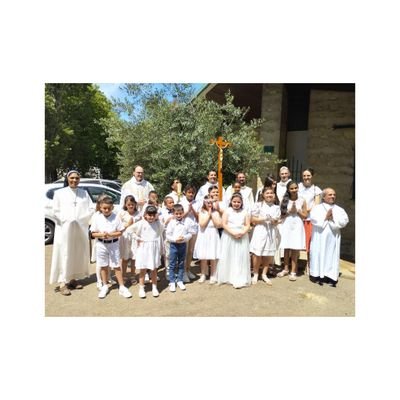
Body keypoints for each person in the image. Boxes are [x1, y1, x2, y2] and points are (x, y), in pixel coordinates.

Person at [49, 170, 94, 296]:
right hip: (65, 230)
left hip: (80, 229)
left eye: (77, 178)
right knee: (65, 253)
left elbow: (91, 208)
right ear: (67, 179)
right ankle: (63, 282)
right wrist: (66, 220)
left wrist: (81, 219)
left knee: (77, 253)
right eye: (72, 178)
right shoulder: (59, 193)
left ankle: (73, 279)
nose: (74, 180)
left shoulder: (84, 193)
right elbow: (55, 211)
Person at [90, 196, 132, 299]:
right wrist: (102, 235)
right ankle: (104, 285)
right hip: (101, 244)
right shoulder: (96, 217)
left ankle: (121, 286)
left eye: (109, 208)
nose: (107, 210)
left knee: (116, 265)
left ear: (112, 207)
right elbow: (93, 233)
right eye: (104, 208)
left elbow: (120, 231)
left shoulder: (116, 217)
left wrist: (112, 235)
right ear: (100, 207)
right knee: (103, 265)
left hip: (113, 244)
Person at [309, 188, 349, 287]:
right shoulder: (317, 208)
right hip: (320, 236)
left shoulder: (339, 209)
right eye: (330, 195)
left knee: (331, 255)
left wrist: (333, 219)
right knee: (319, 253)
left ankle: (331, 276)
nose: (332, 196)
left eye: (334, 195)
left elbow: (344, 221)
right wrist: (325, 217)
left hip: (333, 237)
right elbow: (313, 219)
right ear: (324, 197)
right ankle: (319, 276)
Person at [216, 193, 251, 288]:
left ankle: (240, 277)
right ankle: (228, 276)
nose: (236, 203)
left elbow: (247, 224)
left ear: (242, 202)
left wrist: (242, 233)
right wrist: (233, 233)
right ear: (231, 202)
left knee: (240, 257)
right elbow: (224, 224)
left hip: (241, 236)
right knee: (229, 255)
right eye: (234, 201)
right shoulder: (227, 211)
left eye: (238, 202)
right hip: (229, 235)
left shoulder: (245, 212)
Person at [249, 187, 281, 285]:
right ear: (263, 194)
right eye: (267, 193)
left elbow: (277, 221)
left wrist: (274, 221)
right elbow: (252, 219)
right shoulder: (258, 205)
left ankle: (264, 274)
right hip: (260, 230)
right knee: (257, 254)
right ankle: (255, 273)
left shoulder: (276, 207)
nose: (269, 195)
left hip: (271, 231)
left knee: (267, 254)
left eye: (271, 193)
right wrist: (263, 219)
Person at [277, 181, 307, 281]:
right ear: (288, 190)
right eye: (292, 188)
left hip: (297, 225)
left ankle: (293, 271)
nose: (294, 190)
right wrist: (289, 212)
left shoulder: (302, 200)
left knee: (295, 248)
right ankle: (285, 269)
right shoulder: (284, 200)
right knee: (286, 247)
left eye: (295, 188)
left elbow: (305, 216)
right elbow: (281, 215)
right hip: (287, 224)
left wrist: (298, 211)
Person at [132, 205, 164, 298]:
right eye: (149, 215)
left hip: (153, 249)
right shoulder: (141, 223)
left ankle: (155, 287)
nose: (151, 217)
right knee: (143, 269)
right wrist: (137, 238)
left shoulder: (157, 223)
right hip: (144, 248)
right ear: (145, 215)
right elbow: (130, 230)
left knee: (154, 269)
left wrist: (158, 219)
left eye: (153, 215)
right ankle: (141, 288)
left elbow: (161, 229)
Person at [166, 204, 196, 292]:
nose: (179, 215)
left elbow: (191, 233)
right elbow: (168, 235)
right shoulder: (171, 223)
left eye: (180, 213)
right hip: (174, 245)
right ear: (173, 214)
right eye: (177, 214)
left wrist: (185, 238)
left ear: (183, 213)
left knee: (182, 262)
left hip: (183, 245)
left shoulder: (187, 222)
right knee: (172, 263)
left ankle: (180, 280)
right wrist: (175, 239)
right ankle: (172, 281)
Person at [298, 168, 322, 275]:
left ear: (312, 176)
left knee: (309, 243)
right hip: (298, 218)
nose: (306, 178)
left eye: (308, 175)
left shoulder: (316, 189)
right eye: (304, 176)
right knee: (297, 241)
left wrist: (305, 210)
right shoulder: (298, 187)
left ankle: (309, 264)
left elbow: (316, 205)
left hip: (309, 219)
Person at [193, 195, 222, 283]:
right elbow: (202, 224)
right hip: (204, 234)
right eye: (207, 202)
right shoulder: (201, 212)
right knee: (204, 256)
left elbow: (218, 225)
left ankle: (213, 274)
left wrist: (212, 215)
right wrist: (208, 214)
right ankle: (203, 274)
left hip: (213, 234)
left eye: (211, 202)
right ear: (204, 203)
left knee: (213, 255)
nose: (209, 204)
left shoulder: (216, 213)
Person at [118, 195, 141, 285]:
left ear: (135, 204)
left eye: (132, 204)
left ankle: (132, 275)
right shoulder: (122, 213)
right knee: (125, 258)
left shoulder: (138, 214)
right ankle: (123, 275)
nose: (131, 206)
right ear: (125, 205)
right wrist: (128, 224)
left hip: (134, 238)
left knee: (133, 258)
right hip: (125, 237)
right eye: (129, 204)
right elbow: (118, 227)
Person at [180, 184, 200, 281]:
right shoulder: (181, 202)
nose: (191, 194)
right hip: (184, 229)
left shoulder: (197, 203)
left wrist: (193, 210)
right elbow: (179, 216)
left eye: (192, 192)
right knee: (184, 251)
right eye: (189, 192)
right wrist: (188, 211)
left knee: (190, 251)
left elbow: (198, 217)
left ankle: (188, 269)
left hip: (194, 229)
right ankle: (183, 272)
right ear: (185, 193)